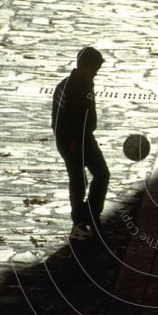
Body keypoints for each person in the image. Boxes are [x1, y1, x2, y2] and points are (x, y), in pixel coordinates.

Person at [52, 46, 110, 240]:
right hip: (71, 142)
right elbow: (58, 121)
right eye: (94, 69)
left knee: (102, 174)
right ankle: (78, 223)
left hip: (85, 137)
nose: (96, 73)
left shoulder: (87, 84)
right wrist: (71, 142)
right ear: (85, 67)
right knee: (78, 181)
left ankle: (91, 216)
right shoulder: (65, 88)